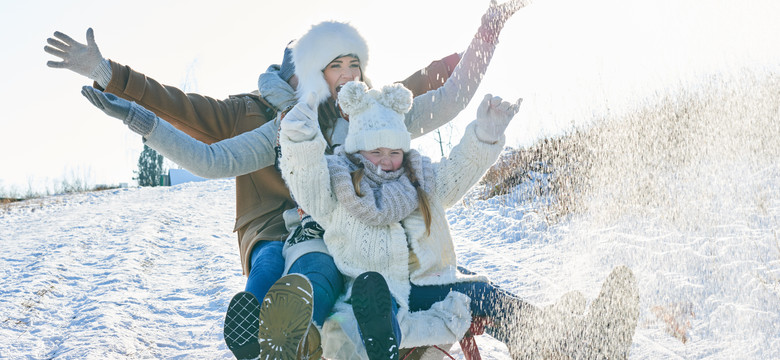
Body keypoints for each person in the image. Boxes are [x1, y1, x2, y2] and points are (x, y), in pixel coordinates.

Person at [71, 1, 527, 358]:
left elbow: (440, 91)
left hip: (363, 233)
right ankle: (276, 333)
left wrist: (489, 28)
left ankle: (537, 328)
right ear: (308, 71)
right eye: (332, 67)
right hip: (285, 228)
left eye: (352, 67)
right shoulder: (264, 119)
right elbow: (203, 146)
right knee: (295, 266)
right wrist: (117, 85)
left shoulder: (364, 110)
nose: (345, 76)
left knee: (445, 278)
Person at [276, 80, 640, 360]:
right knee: (376, 296)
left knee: (482, 292)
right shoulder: (338, 185)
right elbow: (305, 180)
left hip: (425, 287)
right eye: (376, 152)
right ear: (357, 149)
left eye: (394, 152)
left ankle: (573, 343)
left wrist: (484, 136)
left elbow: (456, 173)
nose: (387, 161)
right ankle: (381, 345)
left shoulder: (418, 179)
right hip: (371, 293)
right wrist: (299, 139)